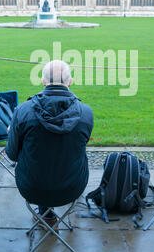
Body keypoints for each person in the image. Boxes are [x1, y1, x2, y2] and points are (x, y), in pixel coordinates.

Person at [5, 60, 94, 230]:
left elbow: (12, 154)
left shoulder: (23, 111)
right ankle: (49, 215)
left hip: (32, 188)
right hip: (73, 187)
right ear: (70, 82)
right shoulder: (86, 113)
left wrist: (13, 132)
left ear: (43, 82)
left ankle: (46, 215)